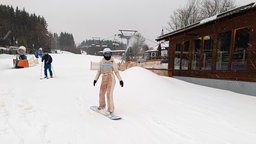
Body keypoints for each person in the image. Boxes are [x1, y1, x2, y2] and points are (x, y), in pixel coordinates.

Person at [93, 48, 124, 114]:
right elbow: (99, 71)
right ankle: (102, 106)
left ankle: (110, 109)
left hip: (111, 78)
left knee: (109, 94)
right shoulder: (101, 62)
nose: (108, 56)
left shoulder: (112, 62)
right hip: (104, 78)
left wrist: (120, 80)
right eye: (106, 54)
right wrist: (95, 79)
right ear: (104, 54)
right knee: (101, 93)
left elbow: (116, 72)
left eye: (109, 54)